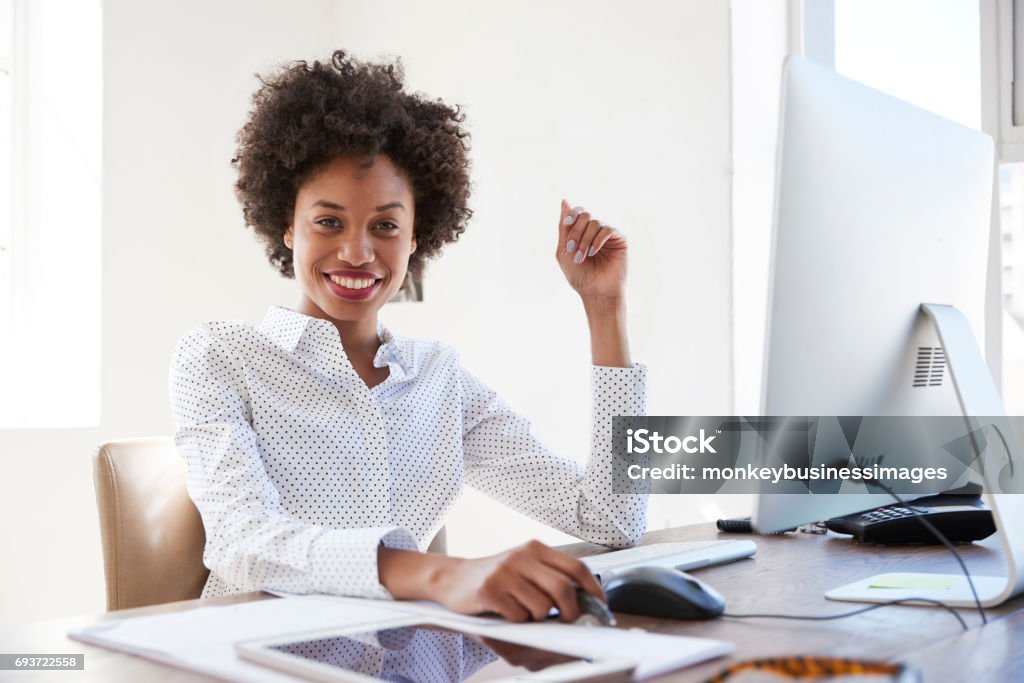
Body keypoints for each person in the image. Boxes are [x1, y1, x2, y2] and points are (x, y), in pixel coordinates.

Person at [169, 50, 648, 624]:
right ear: (286, 224)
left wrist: (605, 309)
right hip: (250, 655)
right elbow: (242, 543)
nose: (357, 251)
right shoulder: (220, 357)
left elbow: (612, 520)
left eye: (386, 226)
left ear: (416, 239)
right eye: (328, 221)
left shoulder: (438, 381)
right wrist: (441, 574)